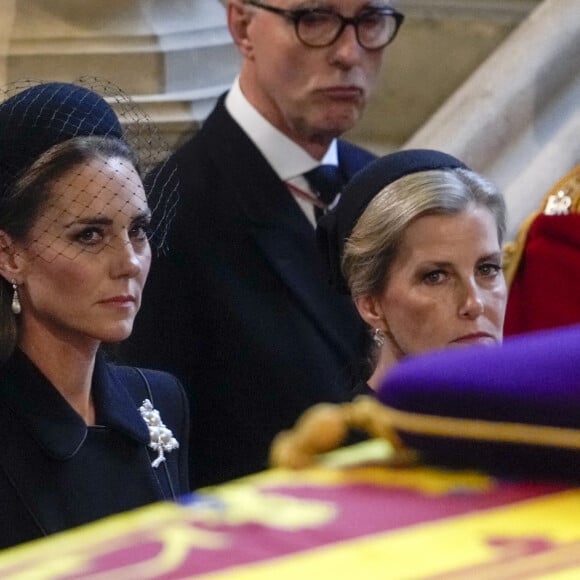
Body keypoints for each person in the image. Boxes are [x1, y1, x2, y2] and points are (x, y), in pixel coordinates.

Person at [125, 0, 406, 486]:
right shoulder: (169, 218)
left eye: (369, 21)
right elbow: (159, 466)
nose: (347, 52)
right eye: (313, 19)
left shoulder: (387, 187)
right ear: (242, 26)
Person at [0, 81, 188, 550]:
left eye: (138, 230)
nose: (128, 262)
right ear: (10, 255)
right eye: (89, 235)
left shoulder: (161, 402)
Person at [318, 148, 508, 393]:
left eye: (487, 268)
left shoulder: (544, 422)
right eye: (435, 276)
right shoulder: (351, 431)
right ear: (371, 305)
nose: (474, 303)